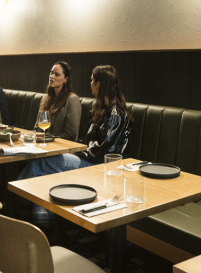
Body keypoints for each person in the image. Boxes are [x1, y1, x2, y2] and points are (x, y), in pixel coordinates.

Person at [19, 65, 132, 220]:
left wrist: (78, 151)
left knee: (42, 161)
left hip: (99, 166)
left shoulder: (115, 112)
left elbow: (104, 150)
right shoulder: (101, 108)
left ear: (98, 84)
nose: (90, 84)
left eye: (92, 80)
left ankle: (20, 202)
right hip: (90, 159)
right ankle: (40, 216)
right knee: (44, 171)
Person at [35, 61, 81, 141]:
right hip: (43, 143)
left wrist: (48, 139)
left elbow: (71, 135)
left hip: (63, 146)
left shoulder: (72, 99)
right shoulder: (45, 99)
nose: (52, 76)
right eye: (51, 73)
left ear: (66, 79)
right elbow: (37, 128)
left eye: (57, 74)